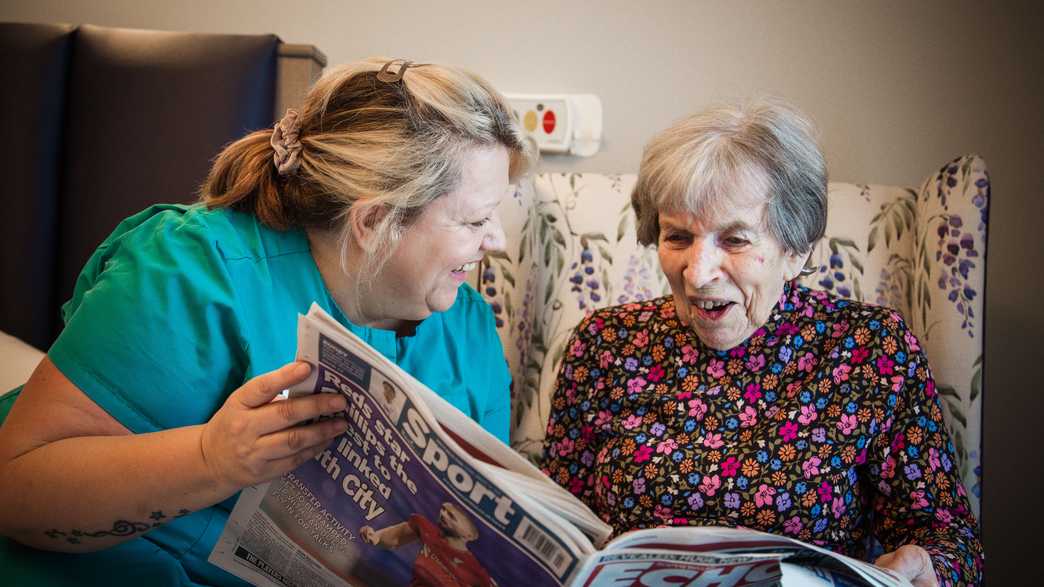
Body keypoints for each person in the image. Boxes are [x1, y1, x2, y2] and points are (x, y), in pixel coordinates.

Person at [0, 57, 532, 586]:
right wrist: (212, 461)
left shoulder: (466, 327)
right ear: (374, 221)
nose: (496, 243)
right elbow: (15, 489)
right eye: (474, 220)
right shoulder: (192, 274)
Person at [541, 99, 982, 586]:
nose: (698, 271)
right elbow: (561, 524)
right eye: (678, 237)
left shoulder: (869, 348)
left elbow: (948, 538)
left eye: (734, 240)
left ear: (794, 251)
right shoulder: (605, 345)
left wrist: (928, 566)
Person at [360, 502, 495, 587]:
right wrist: (375, 536)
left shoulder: (477, 572)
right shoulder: (425, 527)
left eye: (451, 516)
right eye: (443, 509)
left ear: (469, 536)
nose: (443, 514)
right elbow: (395, 538)